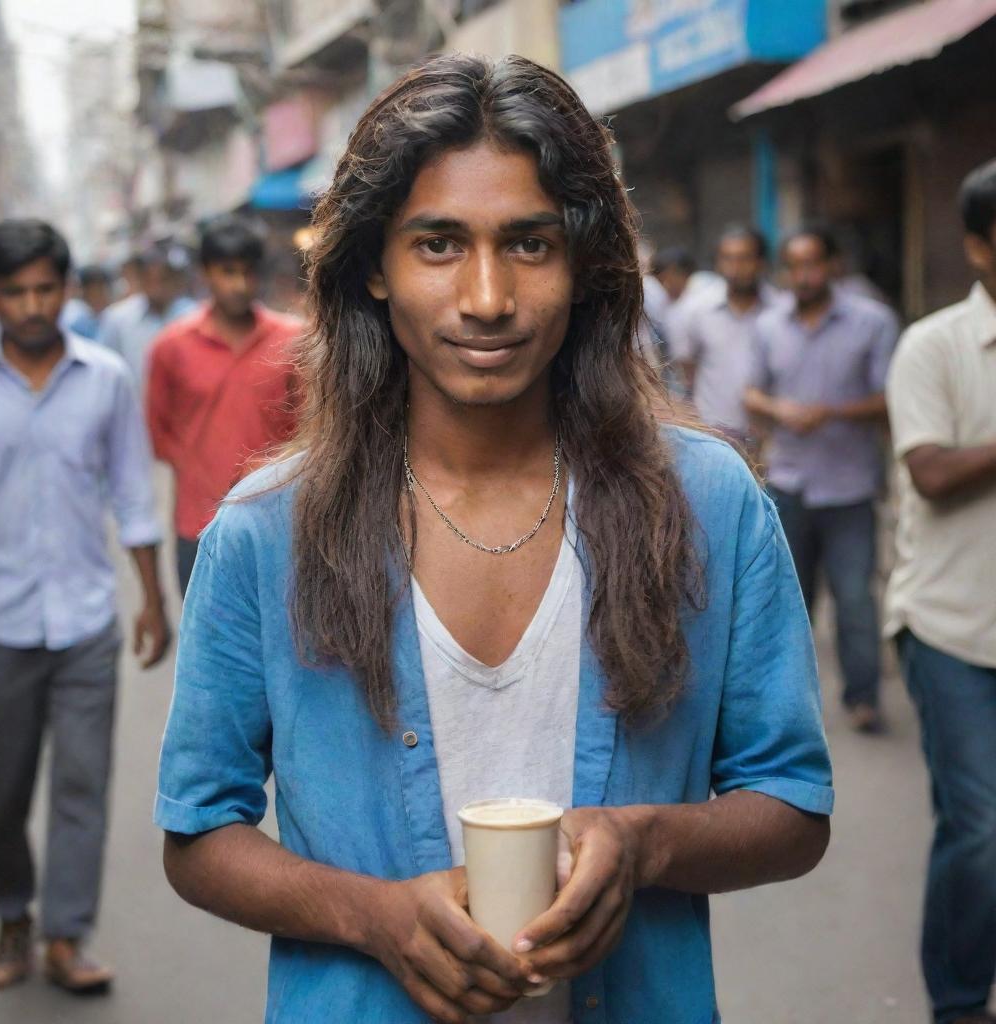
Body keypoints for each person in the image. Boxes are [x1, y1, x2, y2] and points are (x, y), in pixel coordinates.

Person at [155, 54, 832, 1024]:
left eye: (528, 244)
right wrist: (373, 916)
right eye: (437, 244)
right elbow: (198, 831)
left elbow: (792, 805)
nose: (485, 297)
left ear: (586, 264)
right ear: (375, 270)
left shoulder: (706, 501)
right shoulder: (267, 532)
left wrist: (644, 842)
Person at [0, 219, 169, 993]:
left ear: (64, 287)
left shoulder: (105, 380)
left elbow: (131, 492)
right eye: (14, 291)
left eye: (45, 288)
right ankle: (12, 912)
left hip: (86, 618)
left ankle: (64, 934)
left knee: (83, 781)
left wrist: (152, 599)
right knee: (3, 788)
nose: (31, 305)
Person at [884, 158, 996, 1024]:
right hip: (953, 629)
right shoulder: (934, 347)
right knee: (982, 829)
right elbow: (929, 472)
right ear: (978, 247)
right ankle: (958, 1003)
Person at [745, 226, 898, 734]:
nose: (803, 275)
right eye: (794, 265)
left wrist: (830, 413)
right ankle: (789, 704)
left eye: (813, 263)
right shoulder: (769, 326)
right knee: (788, 600)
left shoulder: (871, 322)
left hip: (849, 485)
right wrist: (779, 409)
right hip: (788, 484)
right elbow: (752, 394)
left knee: (854, 597)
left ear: (833, 265)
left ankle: (863, 698)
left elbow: (890, 397)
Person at [146, 214, 302, 595]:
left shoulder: (295, 341)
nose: (239, 284)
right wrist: (204, 468)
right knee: (210, 648)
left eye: (248, 272)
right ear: (205, 273)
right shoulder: (171, 347)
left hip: (280, 525)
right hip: (198, 526)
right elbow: (159, 433)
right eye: (227, 272)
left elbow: (312, 431)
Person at [674, 225, 776, 446]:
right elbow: (687, 368)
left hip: (771, 440)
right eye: (728, 258)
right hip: (714, 435)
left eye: (744, 258)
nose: (735, 268)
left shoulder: (781, 311)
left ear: (761, 262)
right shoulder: (696, 310)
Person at [96, 244, 196, 391]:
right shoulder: (117, 319)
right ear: (141, 280)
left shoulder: (193, 315)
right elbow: (105, 368)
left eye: (163, 279)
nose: (157, 287)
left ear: (175, 280)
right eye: (151, 280)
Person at [60, 264, 112, 340]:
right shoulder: (76, 319)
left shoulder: (110, 315)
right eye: (94, 291)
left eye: (102, 290)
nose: (99, 296)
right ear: (84, 291)